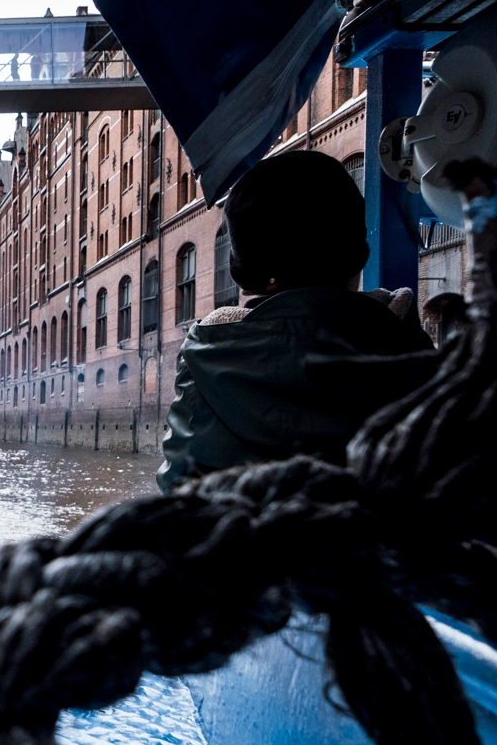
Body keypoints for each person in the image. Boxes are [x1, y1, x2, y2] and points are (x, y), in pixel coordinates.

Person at [157, 151, 438, 493]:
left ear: (251, 272)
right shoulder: (409, 353)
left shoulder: (205, 356)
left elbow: (177, 489)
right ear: (353, 257)